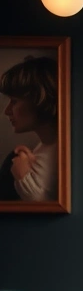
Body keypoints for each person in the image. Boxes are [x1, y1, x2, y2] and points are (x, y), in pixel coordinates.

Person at [0, 55, 59, 202]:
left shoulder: (62, 153)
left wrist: (23, 176)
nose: (7, 111)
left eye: (14, 101)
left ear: (39, 99)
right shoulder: (44, 147)